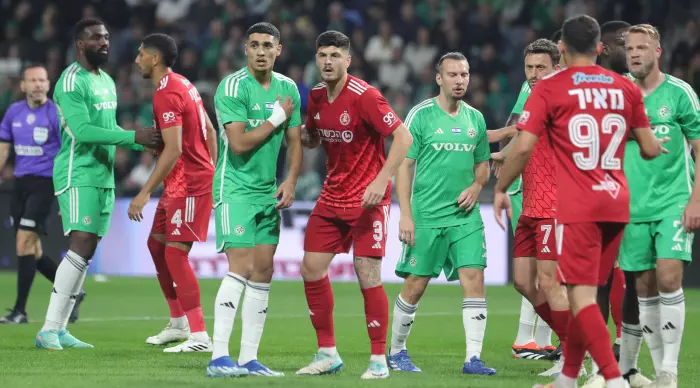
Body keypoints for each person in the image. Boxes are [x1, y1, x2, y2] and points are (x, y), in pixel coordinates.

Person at [493, 15, 666, 388]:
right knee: (587, 289)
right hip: (617, 204)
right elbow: (650, 146)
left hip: (578, 207)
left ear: (562, 49)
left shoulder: (552, 88)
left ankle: (613, 377)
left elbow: (522, 147)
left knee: (582, 298)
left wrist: (501, 187)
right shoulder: (625, 88)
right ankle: (567, 379)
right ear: (601, 48)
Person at [34, 18, 161, 350]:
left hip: (103, 175)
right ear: (80, 44)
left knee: (87, 250)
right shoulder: (70, 82)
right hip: (78, 173)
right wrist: (134, 135)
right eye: (95, 38)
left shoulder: (105, 80)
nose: (104, 42)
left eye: (106, 37)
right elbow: (84, 131)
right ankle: (48, 329)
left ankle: (60, 328)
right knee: (81, 242)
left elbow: (109, 126)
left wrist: (140, 144)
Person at [296, 30, 413, 380]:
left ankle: (378, 361)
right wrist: (307, 136)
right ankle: (327, 353)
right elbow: (317, 138)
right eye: (322, 55)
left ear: (348, 60)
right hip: (332, 196)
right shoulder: (315, 96)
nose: (328, 61)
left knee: (367, 275)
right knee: (311, 268)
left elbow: (403, 137)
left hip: (368, 200)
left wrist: (382, 181)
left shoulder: (366, 97)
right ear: (316, 59)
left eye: (335, 55)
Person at [386, 52, 496, 376]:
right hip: (427, 216)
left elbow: (483, 166)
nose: (460, 80)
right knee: (416, 285)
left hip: (465, 217)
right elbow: (404, 166)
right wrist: (405, 214)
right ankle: (396, 351)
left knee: (474, 278)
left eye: (464, 74)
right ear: (439, 78)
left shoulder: (475, 118)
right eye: (453, 75)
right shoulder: (420, 116)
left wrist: (477, 187)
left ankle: (473, 358)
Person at [206, 22, 302, 378]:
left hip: (267, 192)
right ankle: (218, 357)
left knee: (263, 272)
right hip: (234, 189)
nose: (261, 51)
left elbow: (294, 141)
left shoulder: (289, 88)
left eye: (267, 46)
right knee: (241, 267)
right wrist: (277, 116)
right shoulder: (232, 87)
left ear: (279, 50)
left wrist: (290, 180)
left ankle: (248, 359)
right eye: (254, 45)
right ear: (245, 50)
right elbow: (240, 143)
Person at [619, 23, 700, 388]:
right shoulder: (619, 94)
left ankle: (671, 368)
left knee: (668, 276)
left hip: (673, 201)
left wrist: (696, 200)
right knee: (644, 287)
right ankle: (658, 371)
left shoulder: (680, 94)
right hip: (631, 207)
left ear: (658, 52)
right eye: (630, 48)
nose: (634, 53)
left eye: (641, 47)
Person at [130, 33, 217, 353]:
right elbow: (209, 128)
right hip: (182, 184)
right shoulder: (185, 83)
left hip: (190, 185)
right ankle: (178, 323)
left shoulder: (166, 93)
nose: (137, 59)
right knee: (157, 247)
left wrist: (143, 193)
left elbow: (175, 148)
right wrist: (213, 165)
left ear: (154, 59)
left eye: (141, 54)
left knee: (175, 254)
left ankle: (200, 336)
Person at [583, 20, 653, 388]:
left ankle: (627, 367)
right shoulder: (588, 90)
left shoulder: (641, 90)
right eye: (626, 43)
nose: (633, 49)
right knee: (597, 283)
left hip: (638, 202)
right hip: (597, 200)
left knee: (634, 285)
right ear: (607, 48)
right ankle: (597, 369)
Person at [0, 64, 84, 325]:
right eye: (32, 81)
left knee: (24, 243)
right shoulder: (13, 112)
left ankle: (19, 311)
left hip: (46, 184)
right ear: (23, 85)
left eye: (42, 80)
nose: (37, 85)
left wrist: (66, 191)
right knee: (31, 250)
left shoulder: (56, 114)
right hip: (20, 184)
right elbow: (4, 148)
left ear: (48, 85)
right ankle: (74, 293)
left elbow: (68, 153)